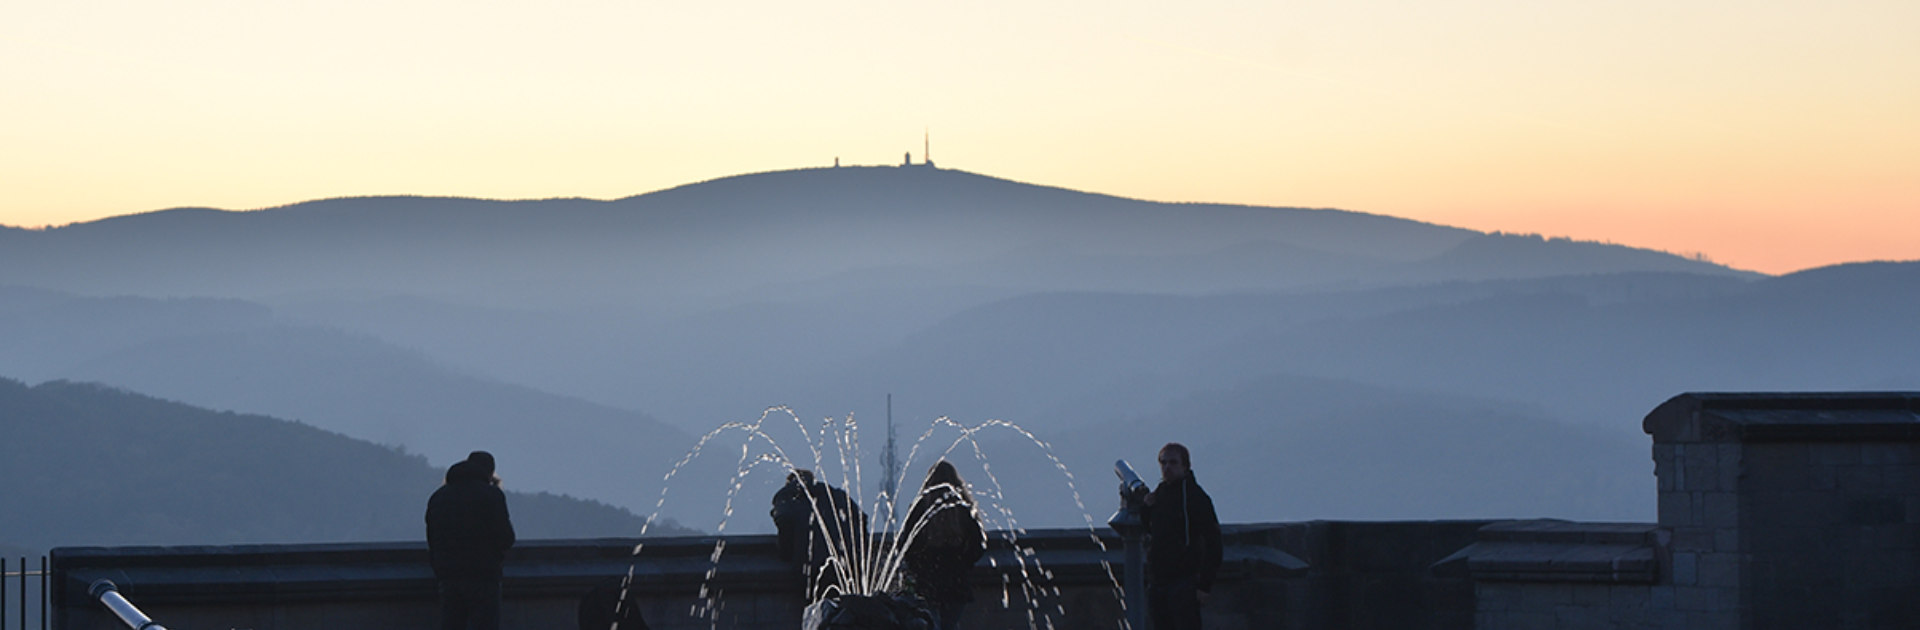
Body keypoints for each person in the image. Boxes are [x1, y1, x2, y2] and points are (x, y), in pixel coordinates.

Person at [426, 451, 517, 630]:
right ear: (490, 472)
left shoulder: (438, 497)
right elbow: (505, 539)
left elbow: (432, 541)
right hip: (483, 575)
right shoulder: (491, 495)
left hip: (449, 576)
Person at [1140, 442, 1222, 630]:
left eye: (1173, 463)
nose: (1167, 468)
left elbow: (1214, 542)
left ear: (1185, 466)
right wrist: (1146, 510)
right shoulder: (1159, 495)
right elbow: (1152, 531)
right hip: (1159, 579)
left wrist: (1204, 585)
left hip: (1184, 580)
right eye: (1163, 463)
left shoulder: (1195, 497)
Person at [901, 460, 986, 630]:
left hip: (927, 581)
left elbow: (907, 546)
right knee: (950, 624)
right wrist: (964, 564)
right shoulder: (964, 509)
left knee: (931, 623)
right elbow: (978, 544)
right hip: (956, 581)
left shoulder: (920, 509)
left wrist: (917, 568)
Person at [771, 468, 868, 601]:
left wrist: (786, 551)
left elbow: (784, 519)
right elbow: (862, 519)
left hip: (811, 568)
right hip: (846, 565)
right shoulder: (837, 495)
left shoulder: (786, 496)